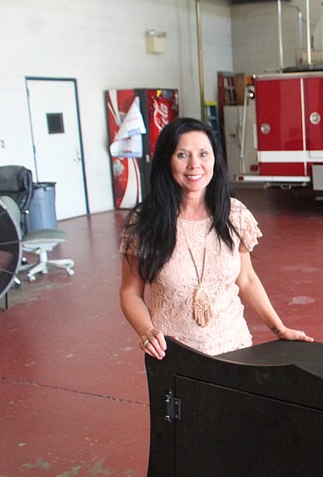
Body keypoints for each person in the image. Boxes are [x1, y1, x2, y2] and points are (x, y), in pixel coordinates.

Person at [119, 117, 312, 359]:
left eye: (203, 154)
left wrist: (279, 328)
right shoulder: (144, 221)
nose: (194, 165)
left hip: (236, 348)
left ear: (215, 159)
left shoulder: (234, 214)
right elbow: (130, 292)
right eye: (182, 155)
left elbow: (247, 279)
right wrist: (147, 331)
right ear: (166, 160)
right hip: (173, 354)